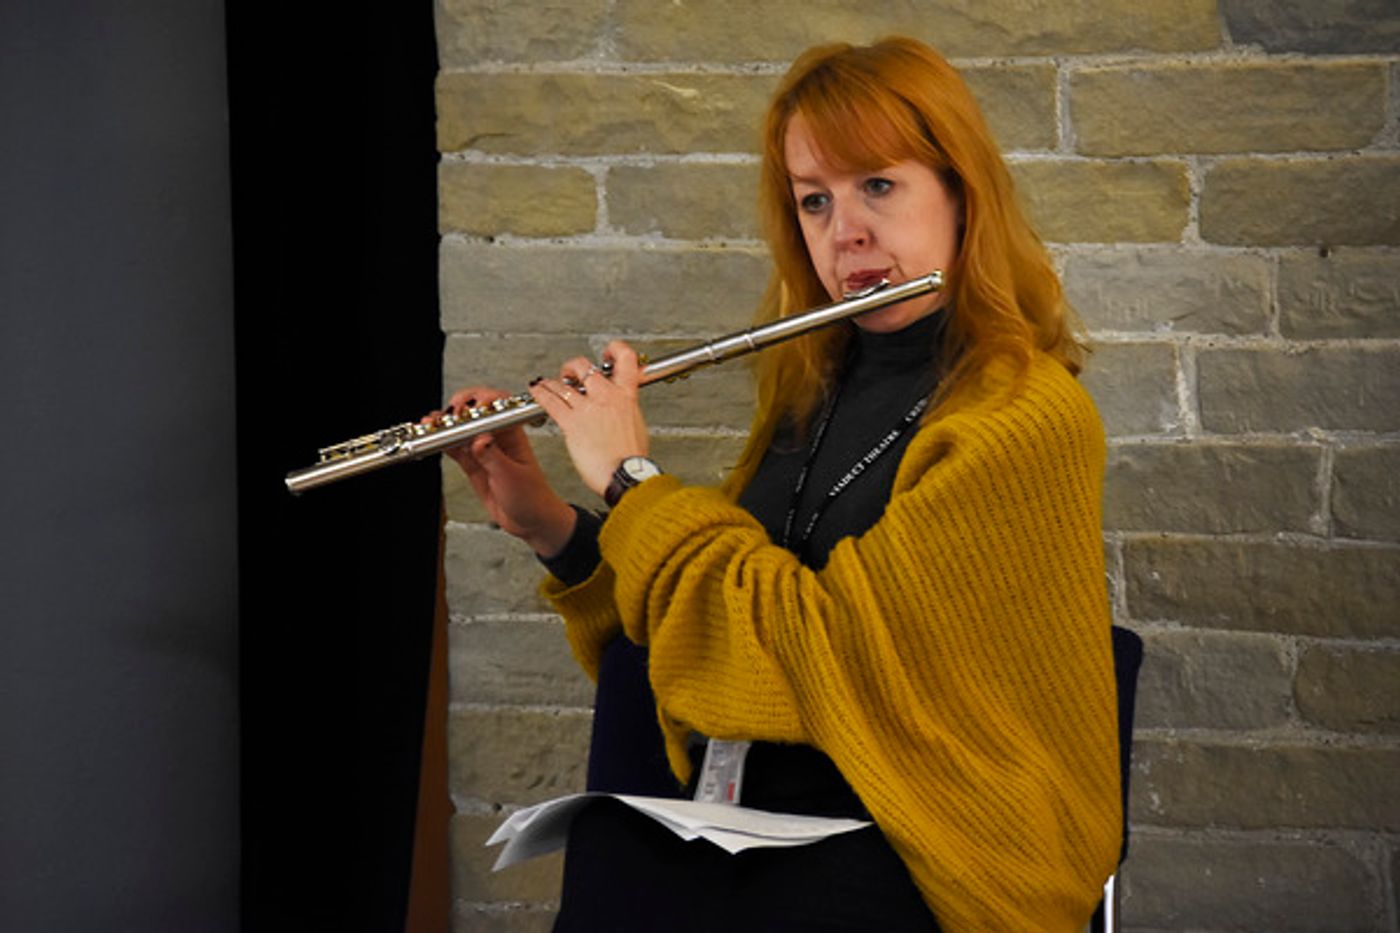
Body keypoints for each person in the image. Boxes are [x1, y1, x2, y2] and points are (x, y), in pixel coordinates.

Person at [435, 36, 1121, 933]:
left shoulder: (1025, 417)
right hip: (779, 818)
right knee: (612, 863)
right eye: (814, 199)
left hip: (945, 850)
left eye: (879, 184)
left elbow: (812, 654)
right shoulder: (816, 394)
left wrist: (632, 478)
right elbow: (713, 638)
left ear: (961, 193)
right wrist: (555, 530)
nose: (847, 231)